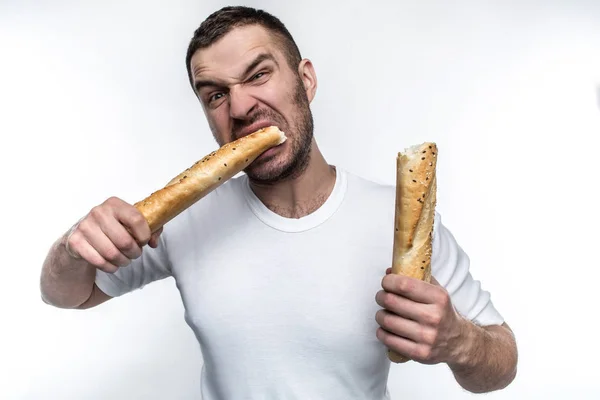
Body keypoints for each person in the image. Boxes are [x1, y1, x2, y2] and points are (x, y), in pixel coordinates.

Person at [40, 6, 518, 399]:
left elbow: (501, 363)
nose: (241, 107)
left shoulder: (397, 221)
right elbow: (66, 294)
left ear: (305, 80)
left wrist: (461, 341)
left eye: (259, 74)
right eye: (215, 95)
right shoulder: (183, 219)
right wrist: (73, 246)